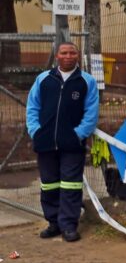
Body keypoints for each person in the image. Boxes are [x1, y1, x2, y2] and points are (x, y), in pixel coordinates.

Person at [25, 42, 100, 242]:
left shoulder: (87, 81)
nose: (68, 56)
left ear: (78, 55)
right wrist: (36, 131)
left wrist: (77, 134)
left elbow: (91, 114)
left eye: (72, 52)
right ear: (57, 56)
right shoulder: (43, 79)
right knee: (49, 184)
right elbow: (32, 107)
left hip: (72, 144)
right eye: (64, 52)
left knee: (71, 185)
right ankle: (54, 223)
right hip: (45, 142)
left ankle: (68, 225)